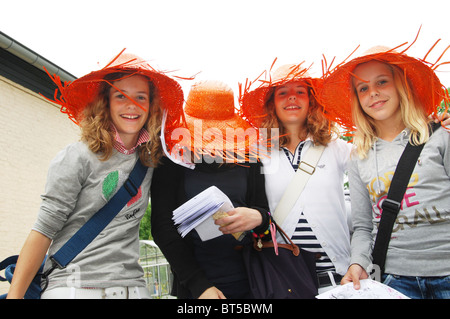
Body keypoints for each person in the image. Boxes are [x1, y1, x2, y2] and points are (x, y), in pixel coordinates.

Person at [6, 51, 185, 299]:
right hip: (73, 286)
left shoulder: (152, 159)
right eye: (121, 96)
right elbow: (43, 231)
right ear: (106, 103)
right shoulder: (76, 157)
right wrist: (15, 297)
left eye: (140, 97)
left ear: (151, 106)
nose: (132, 105)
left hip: (133, 288)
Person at [320, 44, 450, 299]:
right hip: (394, 282)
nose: (374, 93)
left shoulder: (441, 137)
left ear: (402, 86)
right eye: (363, 88)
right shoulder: (359, 156)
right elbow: (363, 226)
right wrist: (357, 263)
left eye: (382, 82)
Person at [151, 80, 271, 299]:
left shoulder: (250, 159)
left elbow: (265, 217)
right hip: (196, 288)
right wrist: (200, 286)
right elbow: (162, 227)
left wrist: (258, 217)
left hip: (251, 283)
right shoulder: (172, 159)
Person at [239, 63, 353, 294]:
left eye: (300, 91)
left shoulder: (337, 148)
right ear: (272, 104)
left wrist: (432, 127)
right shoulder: (257, 152)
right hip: (284, 281)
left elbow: (379, 159)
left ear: (312, 101)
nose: (292, 97)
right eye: (282, 92)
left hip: (339, 281)